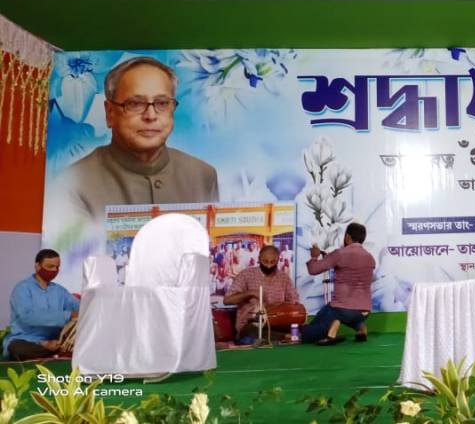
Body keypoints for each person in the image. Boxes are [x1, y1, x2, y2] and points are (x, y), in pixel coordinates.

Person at [62, 56, 219, 220]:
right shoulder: (73, 183)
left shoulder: (203, 176)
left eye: (162, 103)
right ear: (110, 113)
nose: (150, 116)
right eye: (135, 104)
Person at [304, 223, 376, 345]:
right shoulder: (370, 257)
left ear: (347, 236)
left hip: (342, 309)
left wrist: (314, 257)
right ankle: (361, 328)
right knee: (351, 314)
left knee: (308, 335)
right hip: (365, 312)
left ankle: (331, 331)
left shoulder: (340, 254)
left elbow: (313, 270)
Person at [3, 250, 80, 361]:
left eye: (57, 267)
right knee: (16, 348)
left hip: (55, 342)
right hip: (26, 341)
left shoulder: (60, 291)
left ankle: (55, 352)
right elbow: (28, 316)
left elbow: (79, 307)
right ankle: (55, 353)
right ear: (37, 266)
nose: (54, 270)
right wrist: (67, 315)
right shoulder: (22, 289)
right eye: (50, 266)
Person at [224, 245, 301, 345]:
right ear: (259, 259)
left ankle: (279, 337)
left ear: (278, 260)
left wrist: (282, 309)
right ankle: (284, 337)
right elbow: (227, 300)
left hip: (276, 322)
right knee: (250, 333)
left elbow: (294, 301)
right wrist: (249, 293)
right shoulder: (246, 274)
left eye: (272, 262)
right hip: (251, 324)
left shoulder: (284, 278)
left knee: (301, 328)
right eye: (265, 261)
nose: (268, 266)